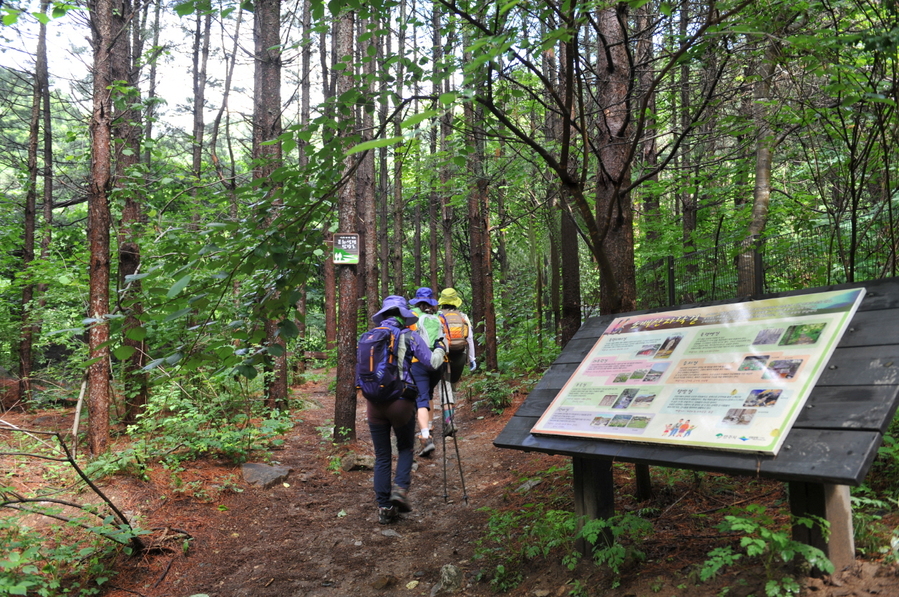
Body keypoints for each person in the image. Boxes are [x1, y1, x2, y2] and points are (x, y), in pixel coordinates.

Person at [361, 295, 446, 524]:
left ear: (384, 315)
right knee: (406, 448)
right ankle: (400, 489)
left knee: (381, 456)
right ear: (402, 316)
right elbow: (432, 363)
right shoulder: (410, 336)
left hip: (374, 404)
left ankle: (384, 507)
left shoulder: (370, 337)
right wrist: (440, 346)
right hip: (400, 402)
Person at [407, 287, 446, 457]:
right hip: (438, 362)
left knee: (421, 397)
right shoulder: (440, 317)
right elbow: (446, 339)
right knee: (429, 394)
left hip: (419, 362)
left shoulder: (412, 317)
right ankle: (429, 424)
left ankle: (425, 436)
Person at [436, 287, 477, 436]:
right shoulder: (463, 317)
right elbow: (470, 339)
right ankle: (450, 419)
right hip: (460, 355)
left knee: (444, 386)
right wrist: (472, 358)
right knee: (452, 387)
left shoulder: (438, 316)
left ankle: (449, 422)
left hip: (444, 355)